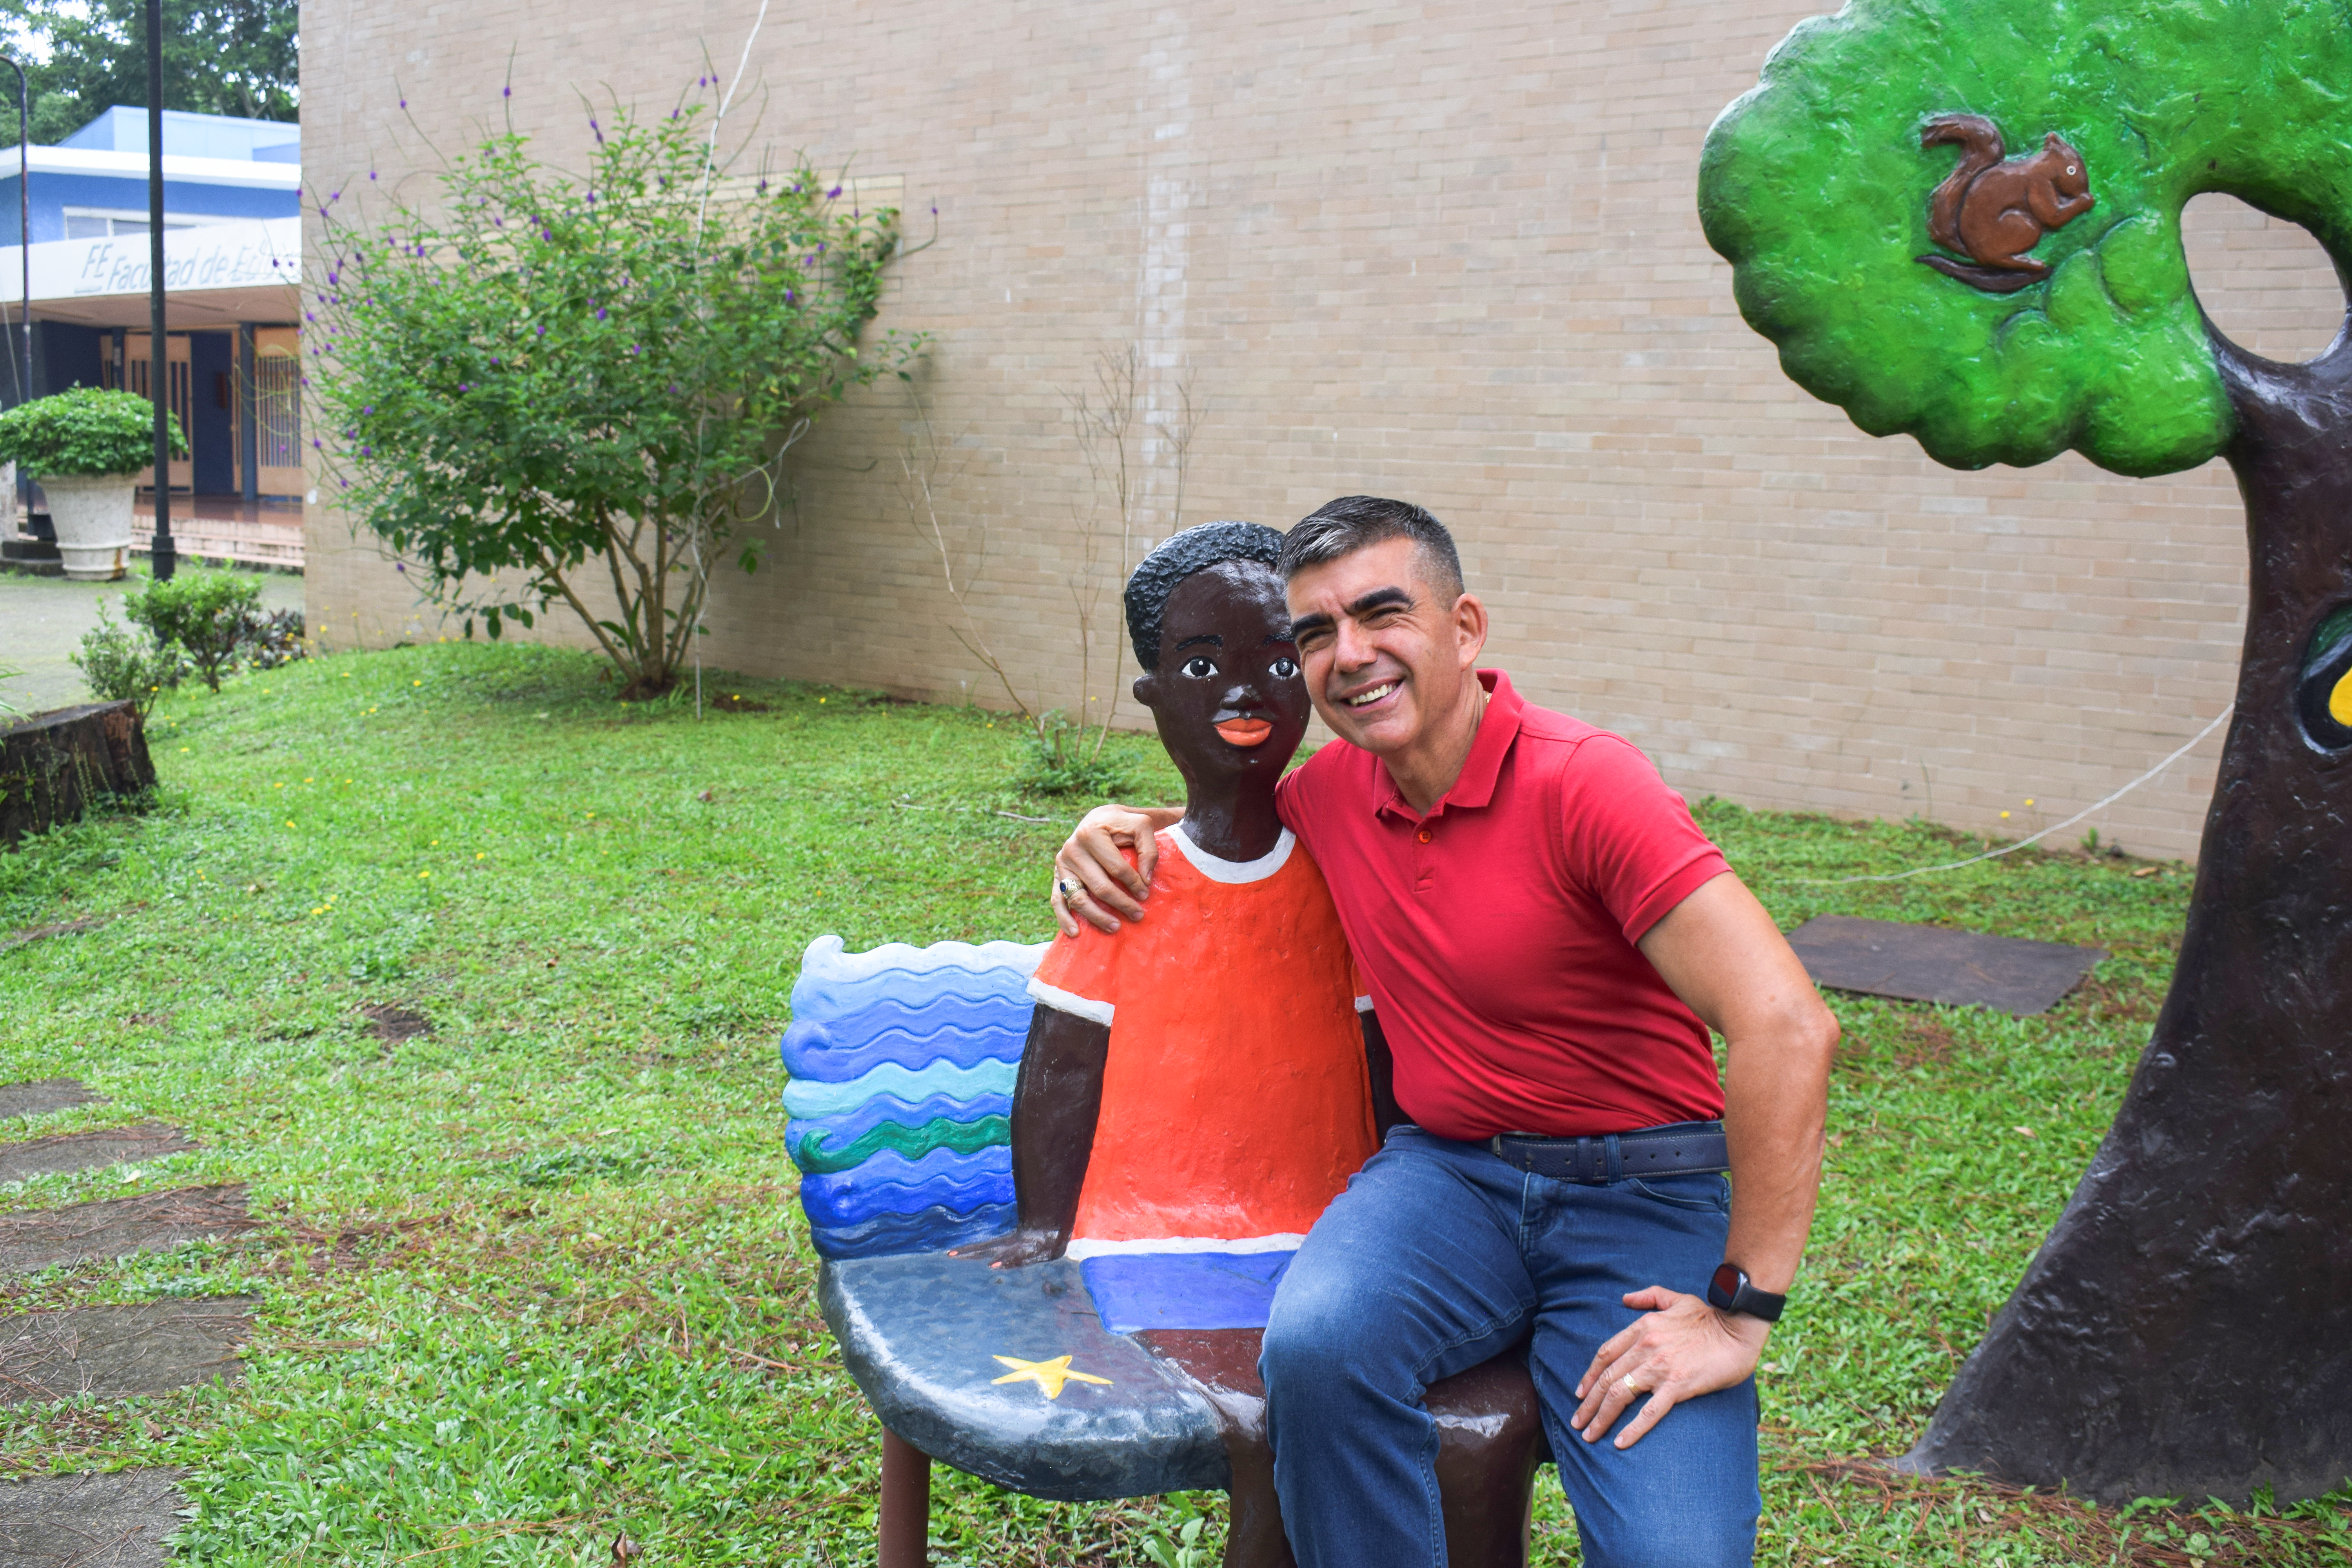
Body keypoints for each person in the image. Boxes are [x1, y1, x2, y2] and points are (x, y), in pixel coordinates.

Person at [1051, 497, 1838, 1568]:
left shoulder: (1585, 782)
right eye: (1317, 633)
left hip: (1639, 1197)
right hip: (1446, 1181)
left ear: (1464, 629)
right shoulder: (1331, 795)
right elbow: (1216, 831)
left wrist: (1739, 1314)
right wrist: (1106, 828)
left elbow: (1787, 1025)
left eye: (1384, 615)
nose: (1350, 655)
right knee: (1319, 1347)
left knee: (1676, 1555)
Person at [961, 520, 1541, 1568]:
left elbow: (1387, 1060)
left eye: (1280, 660)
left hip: (1345, 1226)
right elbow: (1063, 1060)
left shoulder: (1345, 859)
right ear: (1154, 695)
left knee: (1482, 1434)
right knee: (1275, 1423)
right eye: (1201, 665)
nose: (1245, 692)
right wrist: (1045, 1226)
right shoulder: (1129, 882)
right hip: (1159, 1244)